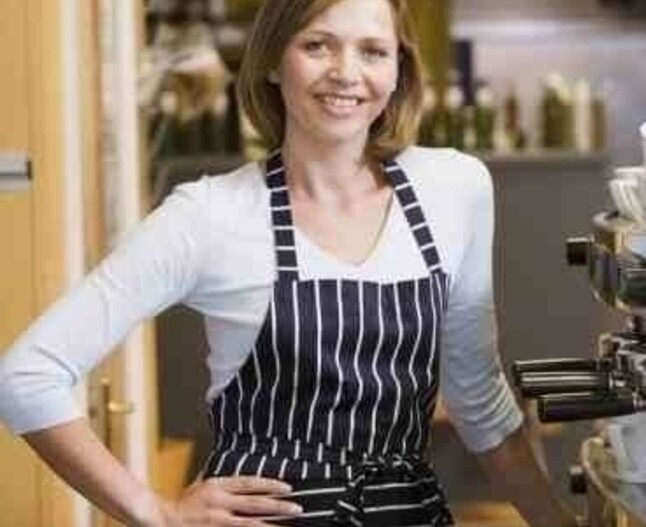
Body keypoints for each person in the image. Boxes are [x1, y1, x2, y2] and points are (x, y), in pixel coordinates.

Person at [0, 0, 578, 525]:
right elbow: (26, 375)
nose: (346, 72)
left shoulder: (454, 188)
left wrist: (556, 523)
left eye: (373, 51)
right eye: (318, 45)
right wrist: (156, 512)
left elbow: (478, 398)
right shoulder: (210, 214)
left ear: (399, 69)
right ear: (274, 61)